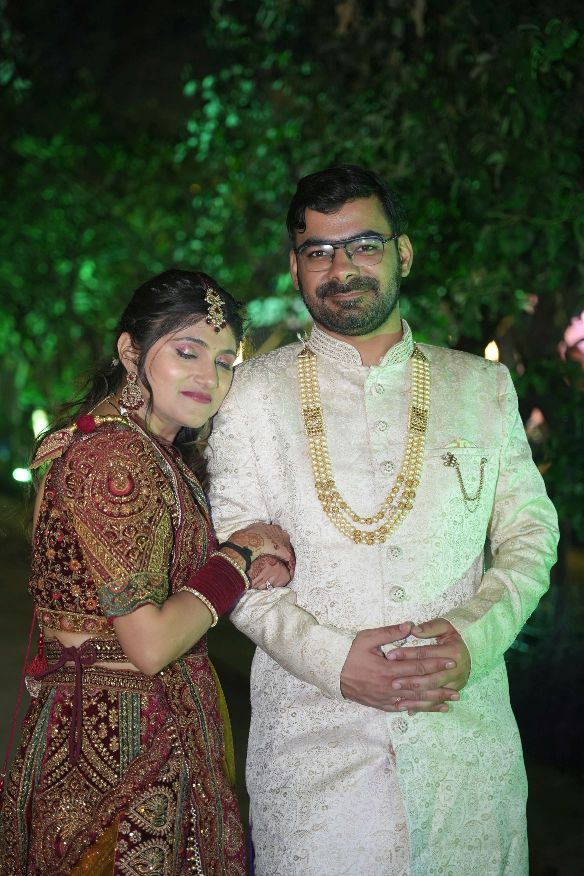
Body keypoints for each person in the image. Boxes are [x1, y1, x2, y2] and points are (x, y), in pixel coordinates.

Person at [206, 166, 560, 875]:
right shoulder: (248, 395)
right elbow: (231, 560)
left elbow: (530, 534)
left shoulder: (480, 387)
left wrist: (476, 636)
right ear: (296, 267)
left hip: (465, 746)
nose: (342, 268)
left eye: (364, 245)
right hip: (313, 755)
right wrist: (333, 661)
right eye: (319, 251)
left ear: (403, 252)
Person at [0, 269, 294, 875]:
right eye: (187, 352)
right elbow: (151, 642)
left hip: (137, 738)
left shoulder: (148, 451)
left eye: (224, 362)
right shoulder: (114, 456)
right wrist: (238, 558)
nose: (208, 377)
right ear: (130, 351)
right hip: (121, 756)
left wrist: (236, 565)